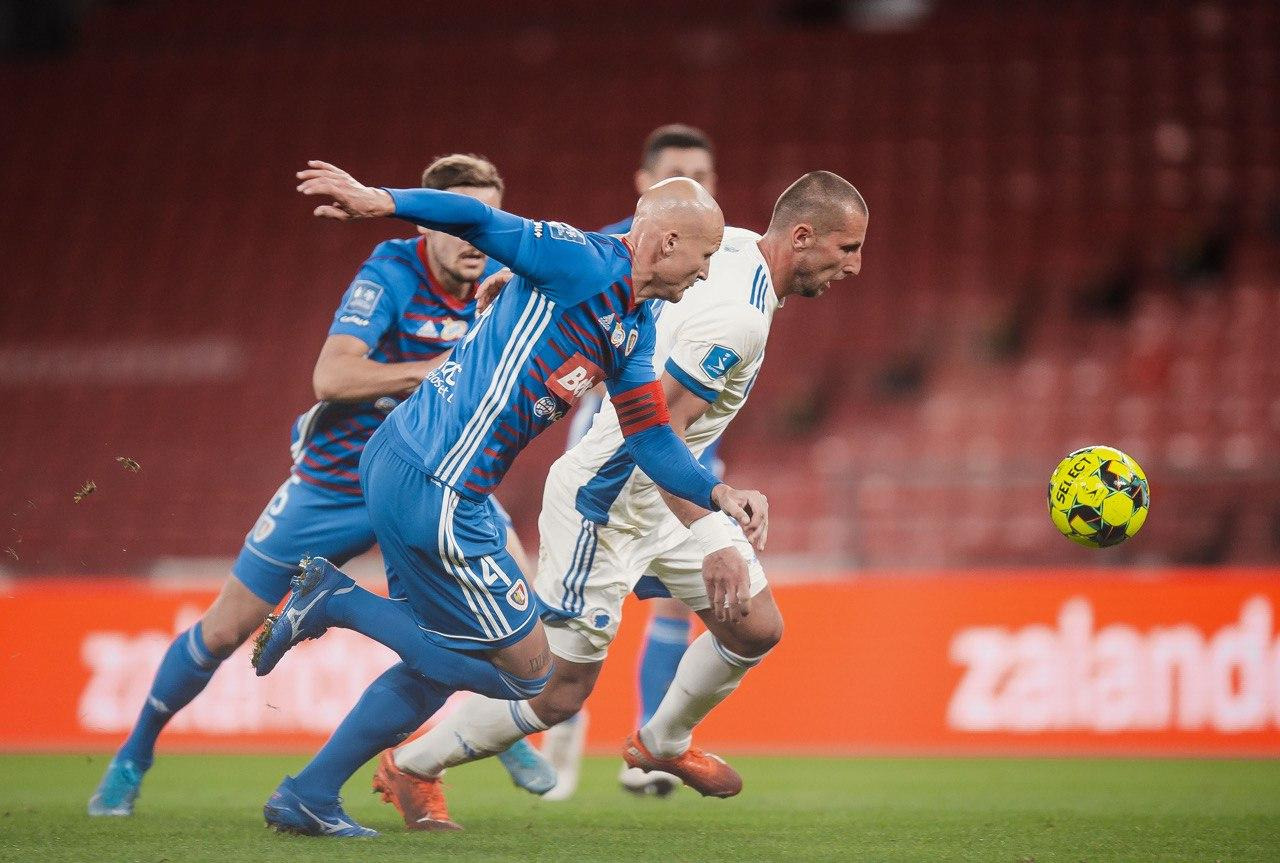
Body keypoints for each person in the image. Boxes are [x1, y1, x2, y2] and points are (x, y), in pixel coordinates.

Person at [249, 160, 770, 837]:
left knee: (434, 662)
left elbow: (649, 435)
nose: (704, 273)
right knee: (531, 676)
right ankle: (337, 600)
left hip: (413, 467)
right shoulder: (581, 259)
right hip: (437, 482)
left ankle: (309, 793)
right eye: (703, 256)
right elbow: (477, 218)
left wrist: (716, 489)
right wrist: (380, 199)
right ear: (668, 242)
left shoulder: (634, 326)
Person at [376, 171, 868, 827]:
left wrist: (524, 277)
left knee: (754, 626)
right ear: (802, 236)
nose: (854, 266)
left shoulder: (730, 245)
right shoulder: (738, 322)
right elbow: (658, 433)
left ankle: (661, 744)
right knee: (558, 693)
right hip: (606, 503)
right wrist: (716, 538)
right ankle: (412, 764)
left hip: (663, 500)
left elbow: (628, 240)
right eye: (847, 247)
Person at [86, 154, 527, 817]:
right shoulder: (390, 273)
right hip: (336, 484)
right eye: (457, 221)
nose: (473, 237)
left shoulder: (507, 281)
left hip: (430, 483)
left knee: (511, 621)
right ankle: (134, 754)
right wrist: (437, 369)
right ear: (425, 223)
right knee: (224, 631)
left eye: (484, 221)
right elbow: (333, 377)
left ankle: (481, 732)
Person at [548, 122, 722, 799]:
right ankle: (560, 720)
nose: (692, 186)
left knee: (679, 598)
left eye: (702, 176)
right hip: (613, 446)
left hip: (687, 444)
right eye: (677, 174)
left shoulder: (723, 255)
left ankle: (647, 750)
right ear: (644, 185)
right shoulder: (607, 251)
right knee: (575, 608)